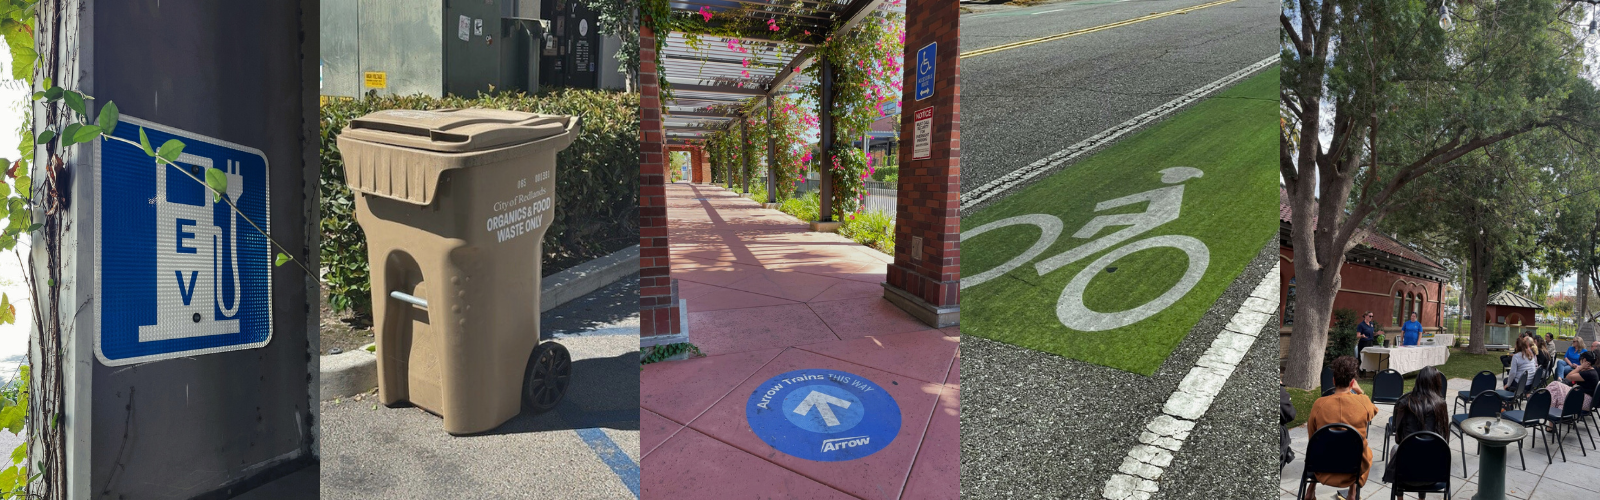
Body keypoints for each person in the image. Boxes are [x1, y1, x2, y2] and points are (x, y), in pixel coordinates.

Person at [1304, 356, 1378, 500]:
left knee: (1317, 444)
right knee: (1364, 451)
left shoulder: (1319, 404)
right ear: (1352, 382)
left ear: (1333, 381)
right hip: (1354, 469)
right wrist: (1360, 391)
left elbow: (1312, 436)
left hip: (1322, 466)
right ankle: (1352, 492)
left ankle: (1311, 489)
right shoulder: (1363, 402)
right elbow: (1374, 410)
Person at [1383, 366, 1448, 484]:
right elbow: (1443, 438)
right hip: (1435, 471)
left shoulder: (1404, 403)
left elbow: (1399, 439)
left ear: (1418, 381)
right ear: (1437, 383)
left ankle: (1400, 496)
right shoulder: (1441, 405)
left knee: (1395, 449)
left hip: (1406, 470)